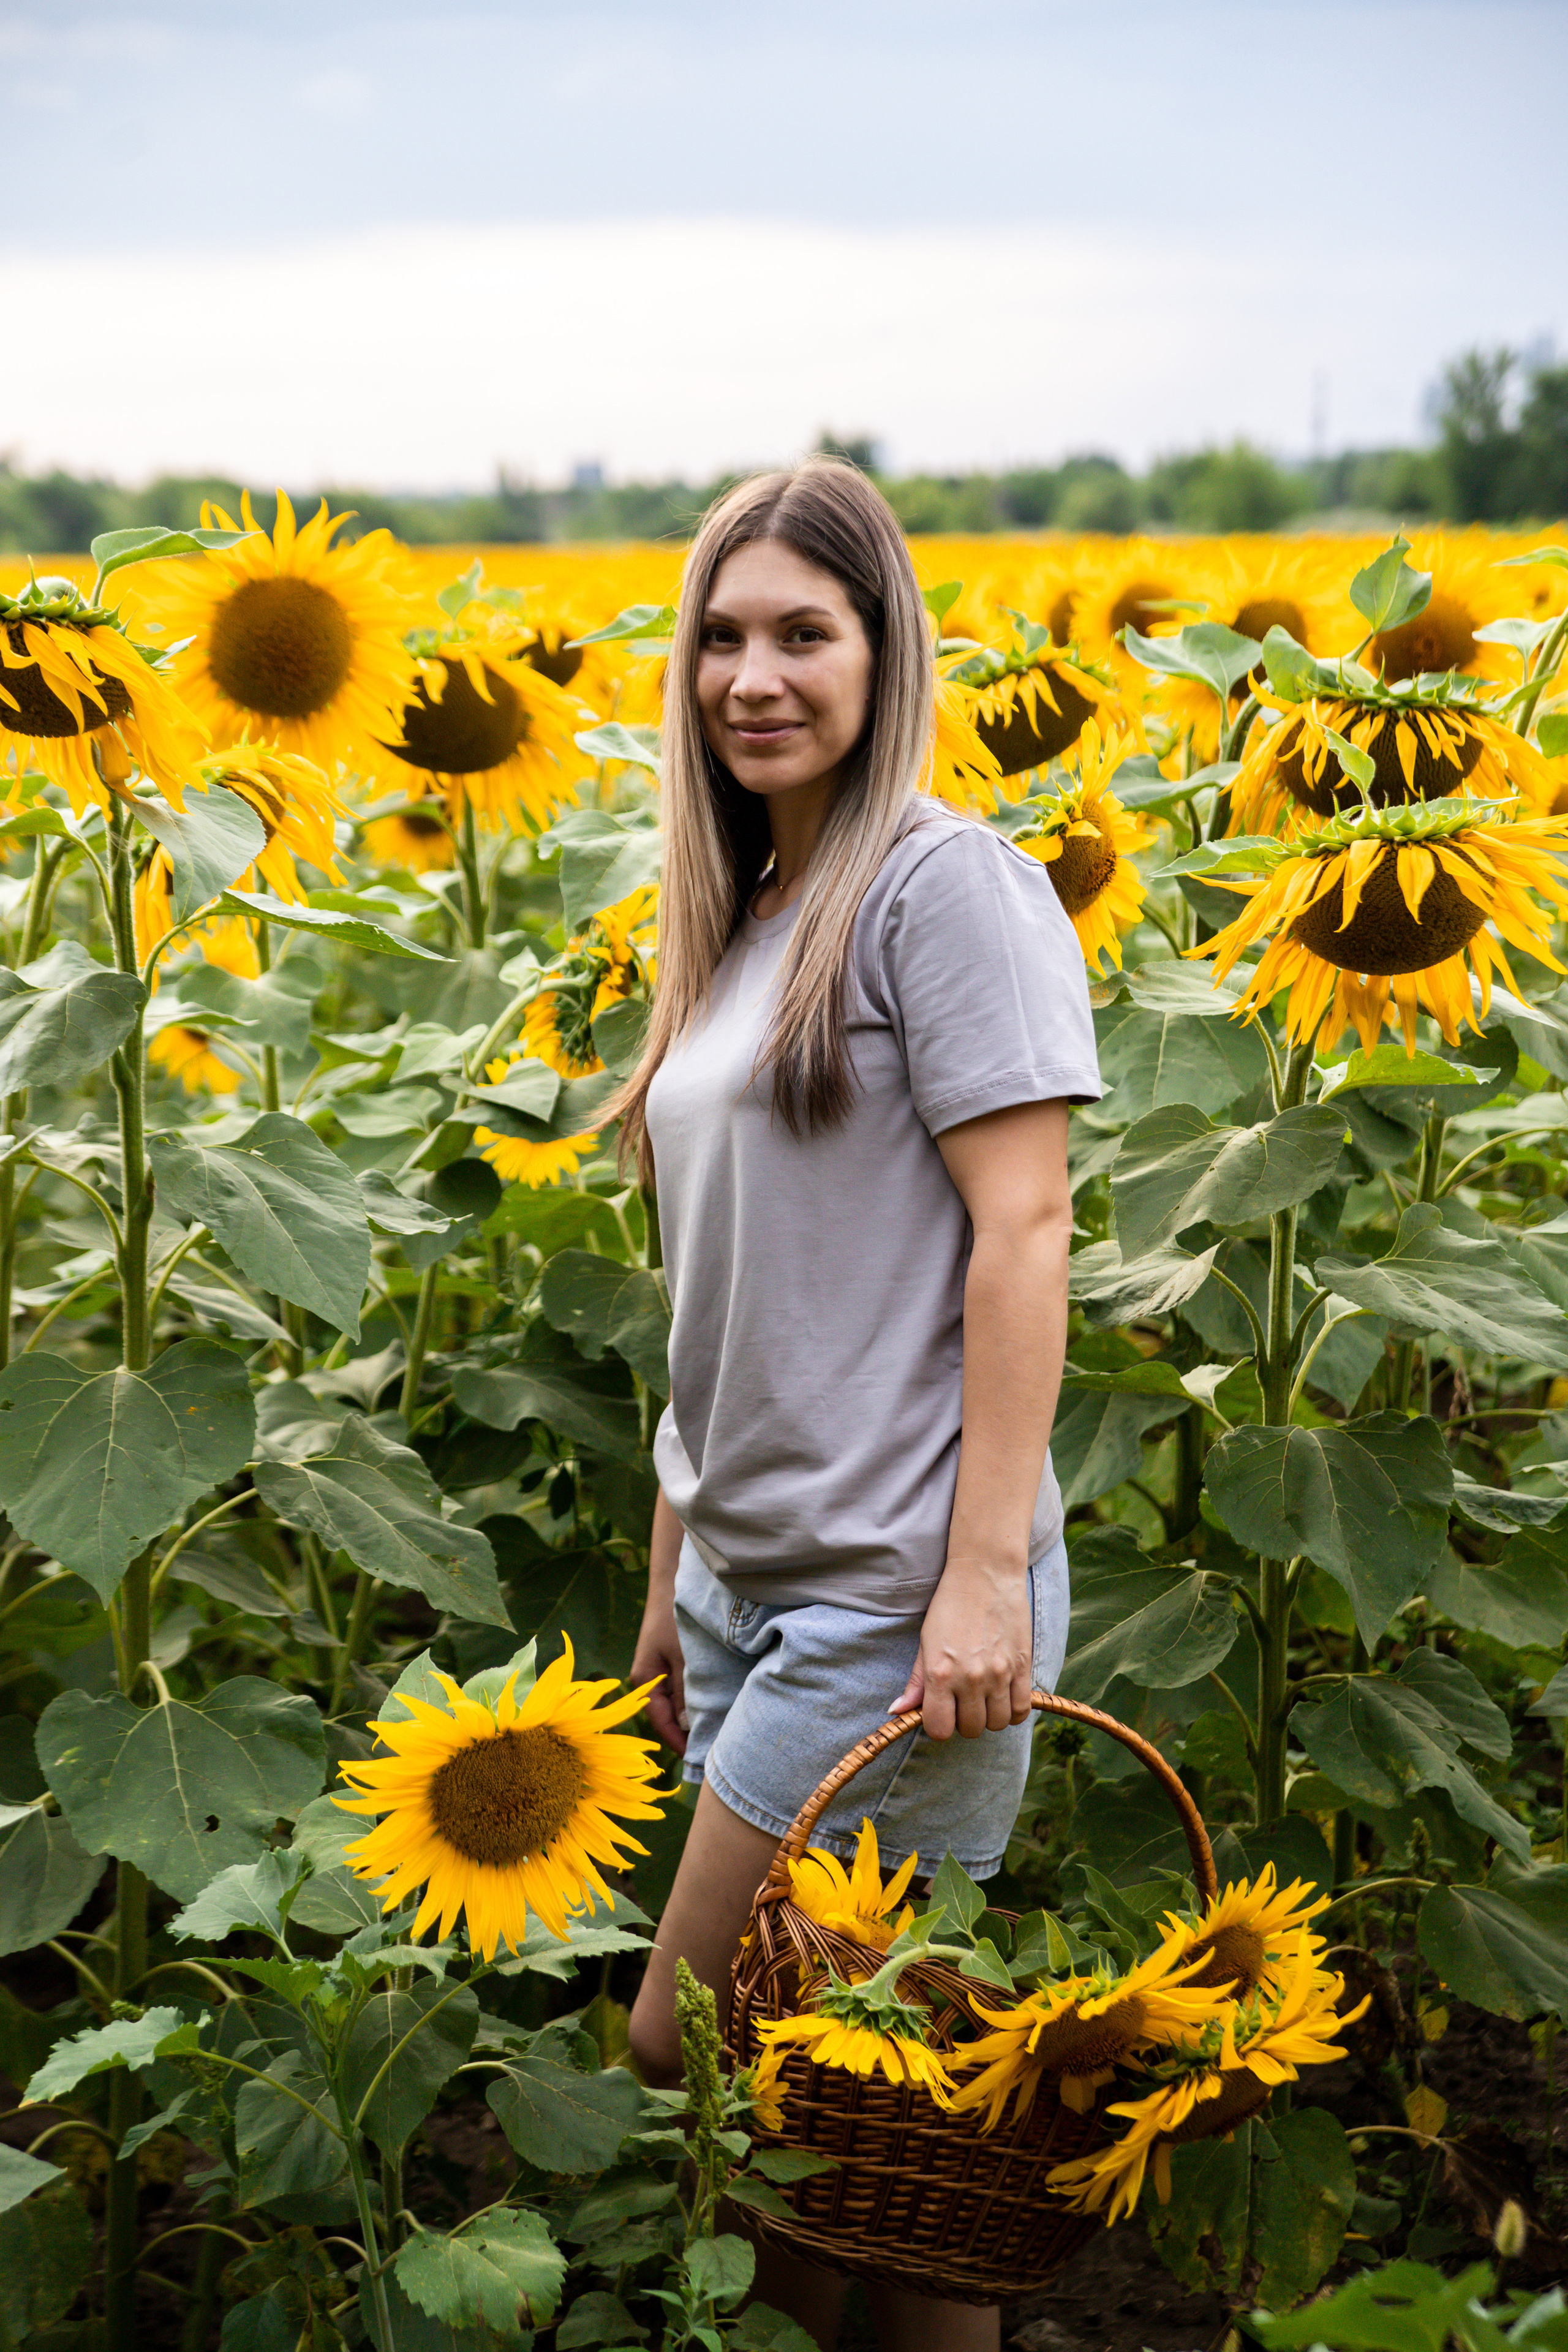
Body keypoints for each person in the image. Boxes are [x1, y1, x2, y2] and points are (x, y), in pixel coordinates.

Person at [617, 457, 1100, 2352]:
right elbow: (716, 1294)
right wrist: (675, 1576)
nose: (755, 676)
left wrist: (983, 1582)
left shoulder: (939, 885)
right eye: (723, 638)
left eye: (802, 635)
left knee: (707, 2059)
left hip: (895, 1609)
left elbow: (1028, 1224)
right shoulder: (749, 910)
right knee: (861, 2124)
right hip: (753, 1585)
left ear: (882, 650)